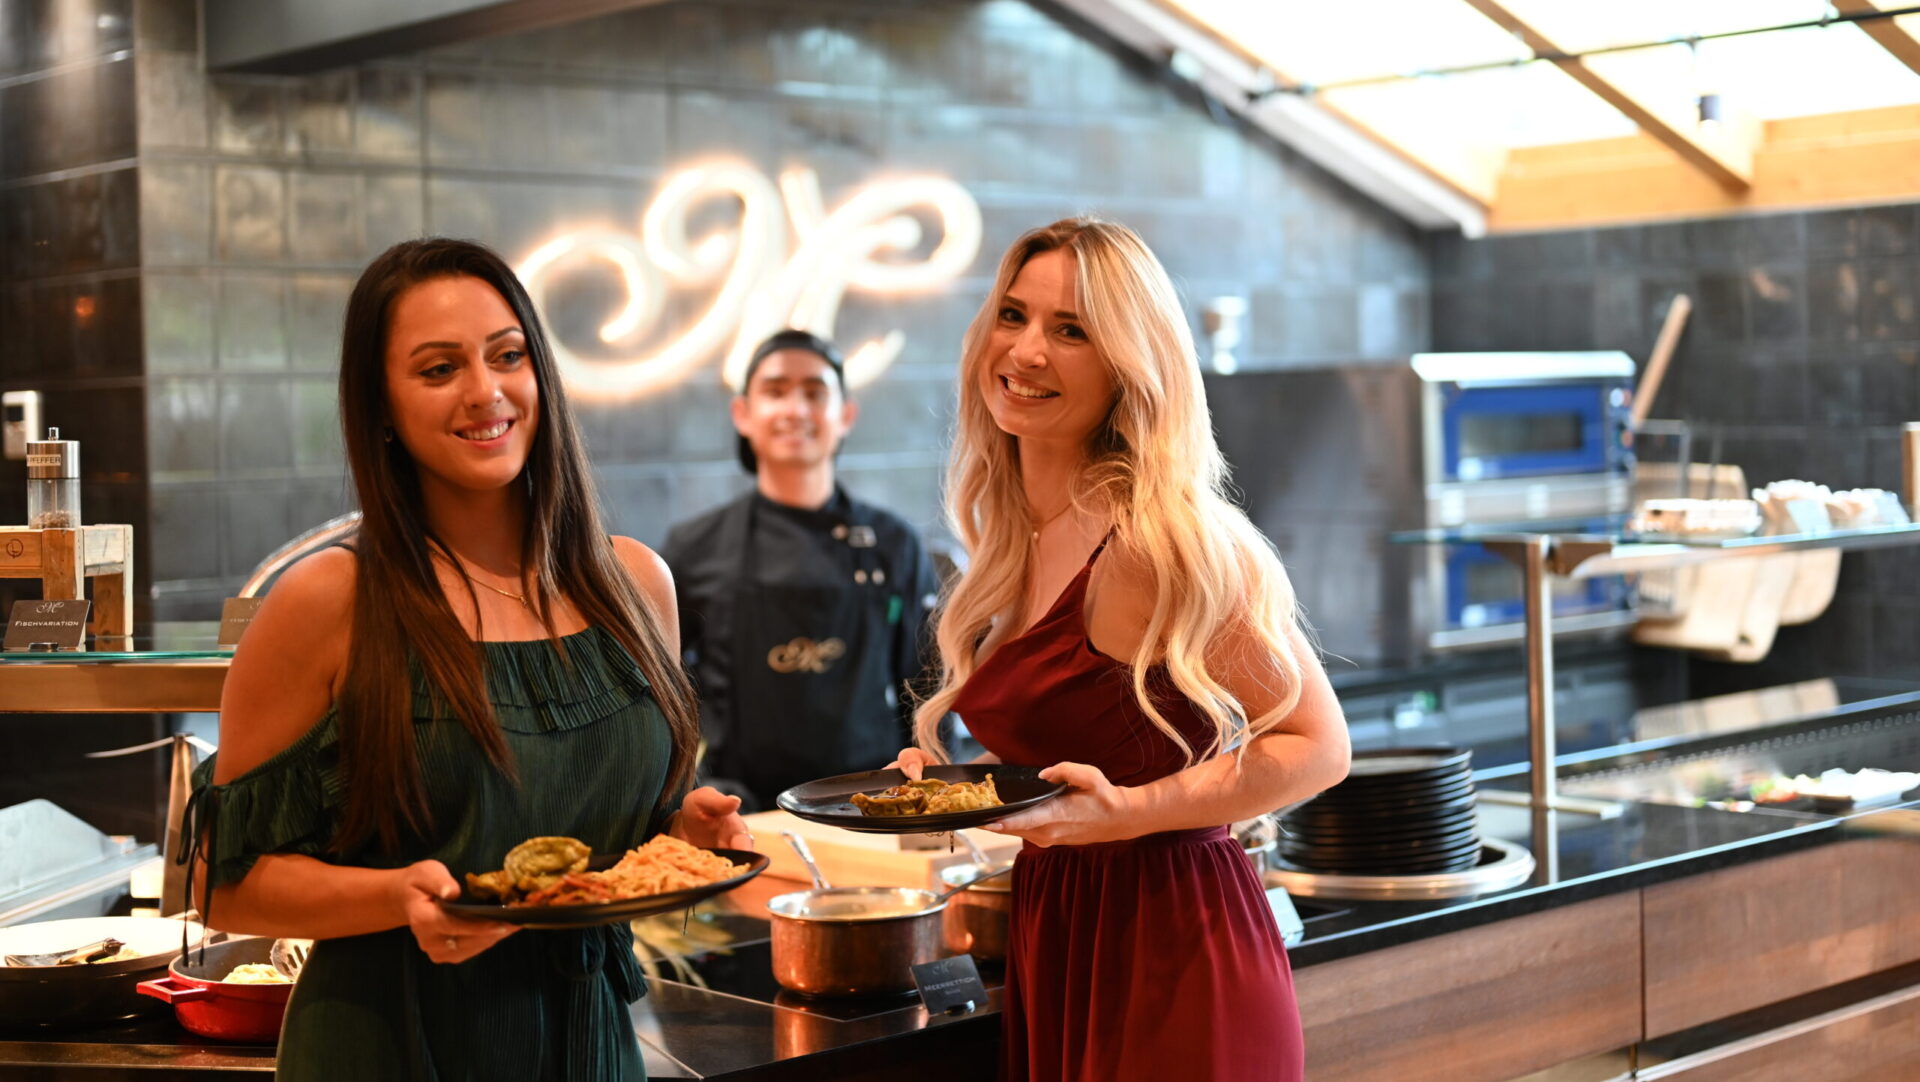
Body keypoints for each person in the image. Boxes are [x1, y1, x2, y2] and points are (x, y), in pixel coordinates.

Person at [183, 238, 751, 1081]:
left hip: (589, 1039)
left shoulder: (635, 585)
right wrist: (394, 898)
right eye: (438, 369)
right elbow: (217, 883)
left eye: (507, 356)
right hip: (395, 1042)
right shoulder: (328, 601)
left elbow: (603, 843)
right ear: (381, 404)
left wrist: (679, 831)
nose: (485, 393)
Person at [891, 219, 1350, 1082]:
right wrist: (957, 790)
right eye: (1013, 316)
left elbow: (1317, 747)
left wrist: (1125, 816)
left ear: (1129, 366)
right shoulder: (1013, 533)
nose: (1025, 351)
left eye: (1072, 331)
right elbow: (1099, 739)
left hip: (1173, 943)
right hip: (1063, 927)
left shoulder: (1152, 539)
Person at [662, 329, 942, 810]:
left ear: (846, 415)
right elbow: (661, 693)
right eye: (775, 391)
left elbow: (929, 689)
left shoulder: (894, 544)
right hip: (743, 811)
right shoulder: (692, 548)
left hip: (875, 805)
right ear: (743, 415)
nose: (795, 409)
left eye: (814, 392)